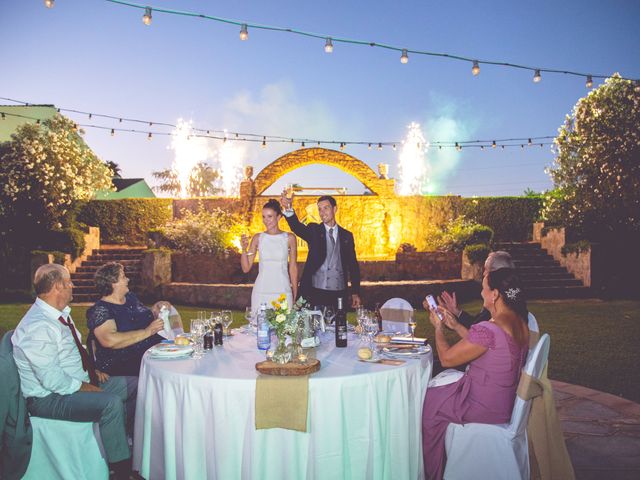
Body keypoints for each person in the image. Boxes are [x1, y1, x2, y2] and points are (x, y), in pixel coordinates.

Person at [11, 264, 136, 480]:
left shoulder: (58, 315)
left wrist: (92, 369)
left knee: (136, 384)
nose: (73, 285)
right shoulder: (38, 326)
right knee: (111, 403)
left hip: (76, 382)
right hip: (48, 397)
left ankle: (125, 441)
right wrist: (89, 388)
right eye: (69, 282)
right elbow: (52, 380)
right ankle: (120, 470)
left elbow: (71, 354)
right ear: (58, 286)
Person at [422, 268, 529, 480]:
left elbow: (446, 359)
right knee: (441, 391)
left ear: (495, 294)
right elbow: (487, 345)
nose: (481, 293)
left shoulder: (490, 328)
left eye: (484, 288)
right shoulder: (519, 322)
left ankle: (433, 472)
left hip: (482, 406)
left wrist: (438, 328)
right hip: (503, 402)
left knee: (427, 404)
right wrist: (455, 324)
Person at [280, 191, 361, 310]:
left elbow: (353, 266)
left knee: (338, 327)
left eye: (326, 208)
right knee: (314, 327)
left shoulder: (347, 236)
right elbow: (297, 227)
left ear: (335, 209)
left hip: (339, 294)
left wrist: (355, 292)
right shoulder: (314, 230)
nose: (322, 213)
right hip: (315, 293)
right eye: (320, 209)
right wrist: (289, 209)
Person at [86, 262, 168, 377]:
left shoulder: (130, 298)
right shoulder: (100, 310)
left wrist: (157, 308)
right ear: (113, 283)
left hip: (156, 354)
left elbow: (141, 316)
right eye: (123, 277)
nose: (128, 280)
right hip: (127, 366)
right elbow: (109, 340)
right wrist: (148, 332)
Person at [241, 199, 298, 312]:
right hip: (261, 291)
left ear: (278, 217)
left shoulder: (290, 238)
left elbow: (293, 267)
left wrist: (295, 293)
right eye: (263, 217)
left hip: (283, 290)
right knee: (260, 327)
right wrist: (243, 249)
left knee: (285, 328)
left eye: (270, 216)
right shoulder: (258, 238)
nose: (266, 220)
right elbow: (246, 268)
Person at [438, 250, 516, 328]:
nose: (484, 273)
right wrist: (456, 311)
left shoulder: (498, 313)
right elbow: (476, 323)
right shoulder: (505, 303)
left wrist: (439, 328)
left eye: (486, 269)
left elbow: (476, 331)